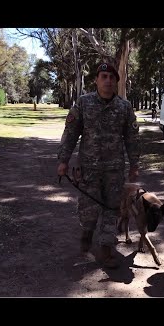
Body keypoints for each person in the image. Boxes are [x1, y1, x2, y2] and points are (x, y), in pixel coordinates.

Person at [57, 62, 140, 269]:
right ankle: (87, 230)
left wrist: (134, 164)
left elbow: (132, 138)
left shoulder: (124, 107)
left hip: (114, 170)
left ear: (116, 83)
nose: (108, 81)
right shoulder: (83, 103)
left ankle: (107, 248)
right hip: (88, 168)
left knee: (111, 209)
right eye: (104, 76)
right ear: (96, 80)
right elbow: (70, 134)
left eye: (112, 78)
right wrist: (63, 160)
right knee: (88, 207)